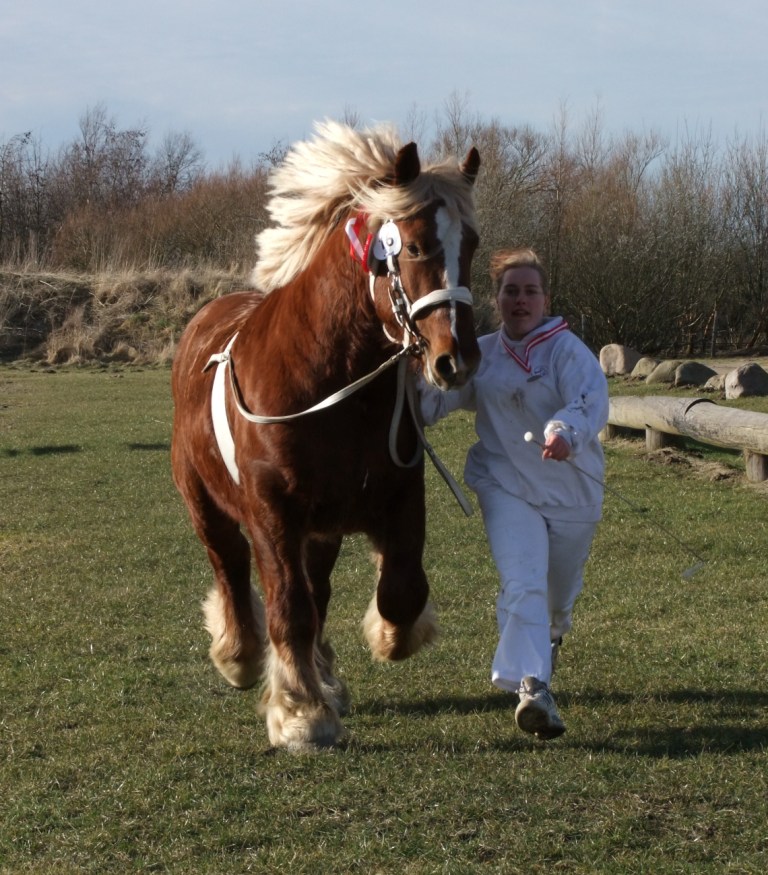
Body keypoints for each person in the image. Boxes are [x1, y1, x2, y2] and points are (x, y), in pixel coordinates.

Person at [419, 247, 609, 740]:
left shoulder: (568, 352)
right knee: (523, 583)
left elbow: (588, 400)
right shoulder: (481, 355)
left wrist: (565, 431)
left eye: (529, 291)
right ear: (496, 299)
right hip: (506, 487)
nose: (520, 301)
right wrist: (402, 385)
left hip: (571, 495)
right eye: (510, 291)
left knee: (556, 600)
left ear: (545, 299)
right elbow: (436, 400)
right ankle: (533, 689)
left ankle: (552, 636)